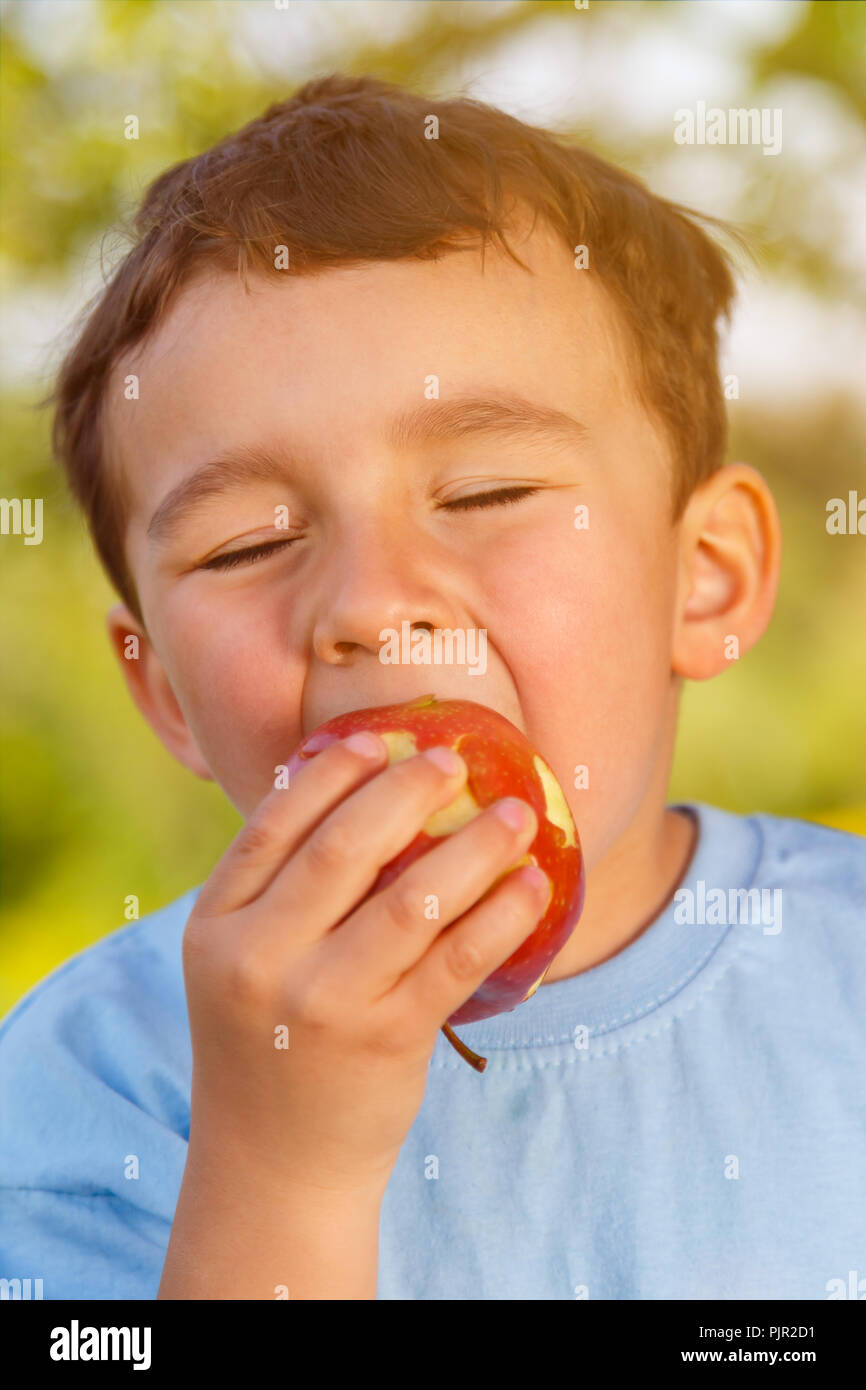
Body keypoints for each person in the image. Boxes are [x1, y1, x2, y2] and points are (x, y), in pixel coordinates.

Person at [2, 73, 864, 1300]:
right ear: (167, 696)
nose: (365, 600)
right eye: (246, 543)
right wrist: (277, 1175)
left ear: (705, 579)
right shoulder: (81, 1088)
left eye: (484, 494)